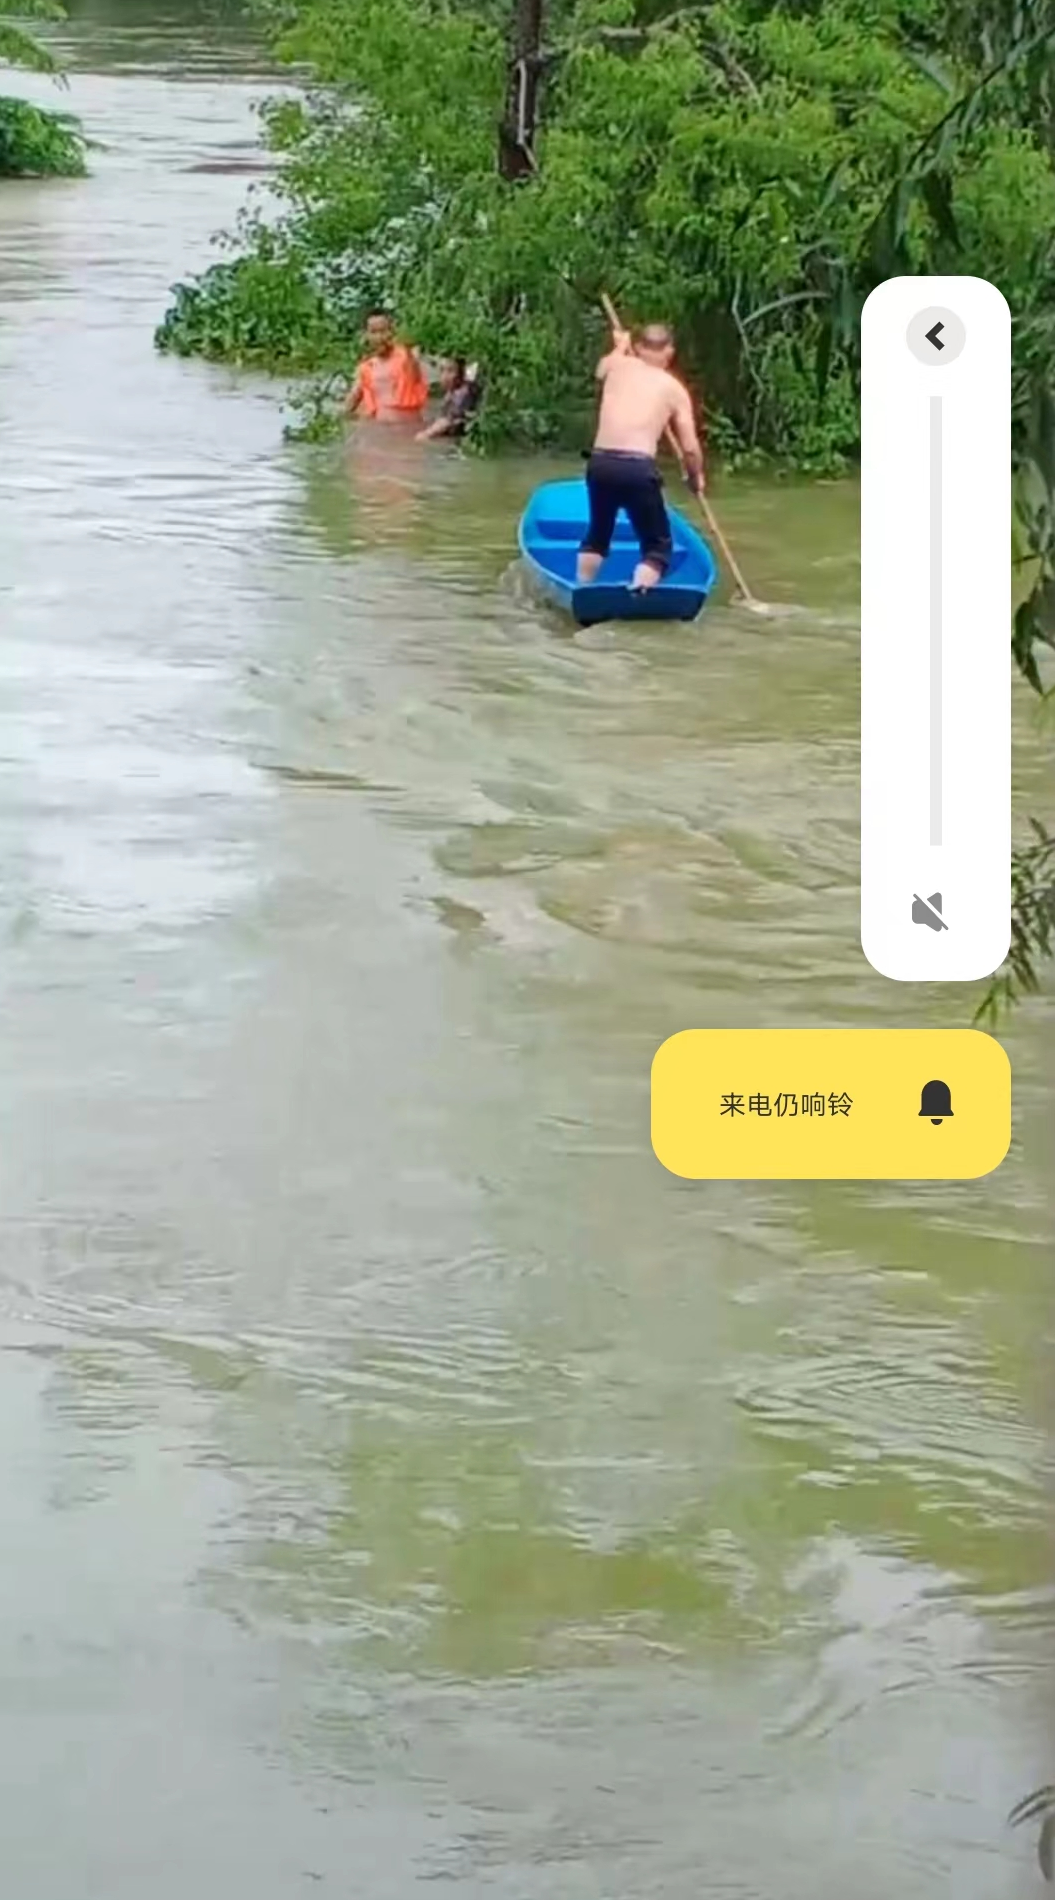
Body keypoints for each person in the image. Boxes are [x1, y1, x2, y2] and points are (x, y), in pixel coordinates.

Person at [577, 318, 704, 593]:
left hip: (601, 463)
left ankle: (580, 587)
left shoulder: (617, 366)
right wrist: (695, 477)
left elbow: (600, 370)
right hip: (637, 467)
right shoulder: (673, 388)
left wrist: (619, 348)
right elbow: (690, 449)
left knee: (597, 536)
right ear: (669, 352)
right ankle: (639, 591)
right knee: (657, 549)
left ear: (638, 347)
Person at [345, 313, 430, 424]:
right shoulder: (366, 367)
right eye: (373, 332)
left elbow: (415, 374)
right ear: (366, 335)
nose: (379, 337)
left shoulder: (407, 356)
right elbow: (353, 397)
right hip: (381, 428)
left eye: (383, 331)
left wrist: (410, 352)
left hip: (409, 428)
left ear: (391, 332)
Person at [416, 357, 482, 443]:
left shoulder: (463, 392)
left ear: (461, 373)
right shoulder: (453, 390)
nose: (444, 376)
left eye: (450, 371)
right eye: (442, 370)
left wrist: (426, 434)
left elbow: (448, 420)